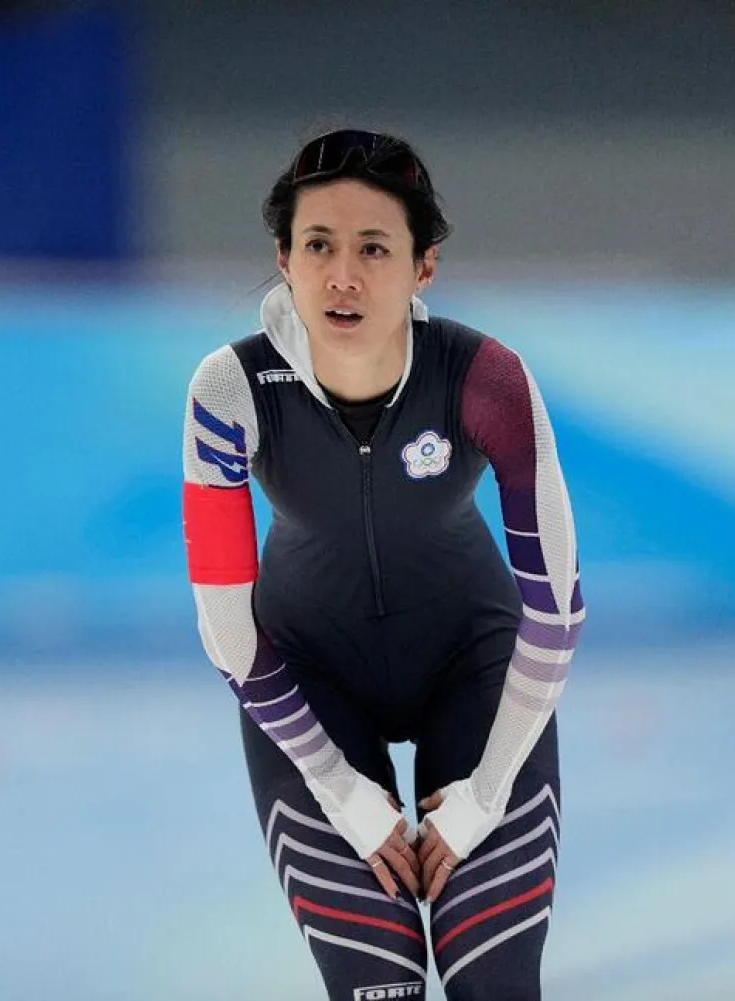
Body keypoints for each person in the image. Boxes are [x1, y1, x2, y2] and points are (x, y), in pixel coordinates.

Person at [180, 128, 584, 1000]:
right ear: (283, 258)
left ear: (423, 266)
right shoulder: (228, 389)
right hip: (308, 688)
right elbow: (227, 629)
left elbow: (553, 610)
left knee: (495, 983)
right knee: (379, 988)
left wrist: (485, 793)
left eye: (375, 247)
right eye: (319, 245)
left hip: (473, 676)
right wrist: (345, 792)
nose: (344, 275)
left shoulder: (486, 379)